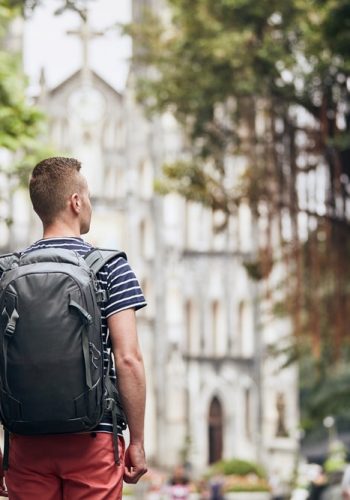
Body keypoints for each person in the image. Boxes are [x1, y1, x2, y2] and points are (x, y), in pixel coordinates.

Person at [1, 157, 147, 499]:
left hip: (26, 440)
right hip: (94, 437)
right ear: (76, 202)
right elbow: (128, 359)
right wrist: (137, 441)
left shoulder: (5, 273)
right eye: (89, 196)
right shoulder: (111, 267)